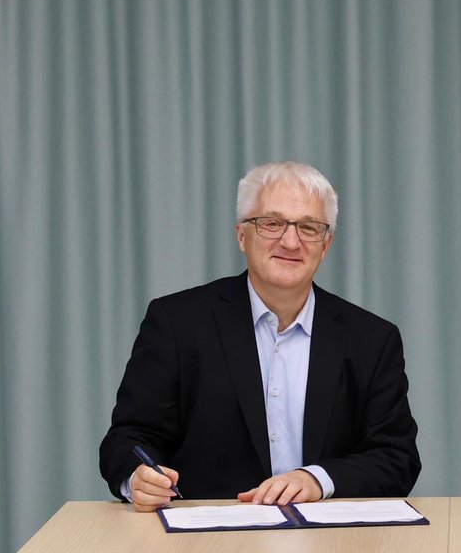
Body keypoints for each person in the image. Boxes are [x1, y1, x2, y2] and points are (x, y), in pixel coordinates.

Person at [99, 161, 421, 512]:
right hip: (206, 539)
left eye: (309, 228)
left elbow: (397, 458)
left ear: (325, 245)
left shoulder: (372, 339)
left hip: (331, 540)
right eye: (271, 223)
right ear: (241, 235)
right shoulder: (177, 323)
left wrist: (316, 479)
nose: (291, 241)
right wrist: (137, 478)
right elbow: (127, 440)